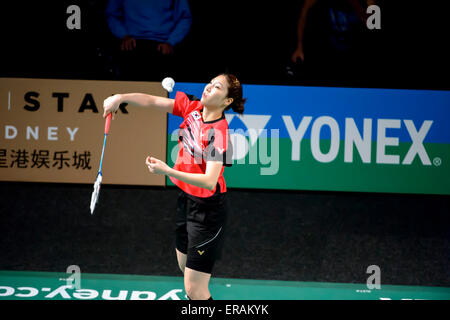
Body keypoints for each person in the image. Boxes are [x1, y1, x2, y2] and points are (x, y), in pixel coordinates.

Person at [102, 74, 246, 300]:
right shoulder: (193, 108)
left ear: (227, 101)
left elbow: (209, 180)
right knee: (185, 268)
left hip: (208, 210)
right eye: (210, 82)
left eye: (217, 87)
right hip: (186, 200)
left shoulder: (217, 132)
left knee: (194, 289)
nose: (208, 87)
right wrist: (120, 97)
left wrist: (167, 171)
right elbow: (152, 101)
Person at [105, 0, 192, 80]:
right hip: (131, 44)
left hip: (163, 45)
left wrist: (171, 42)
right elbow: (112, 14)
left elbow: (184, 17)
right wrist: (123, 35)